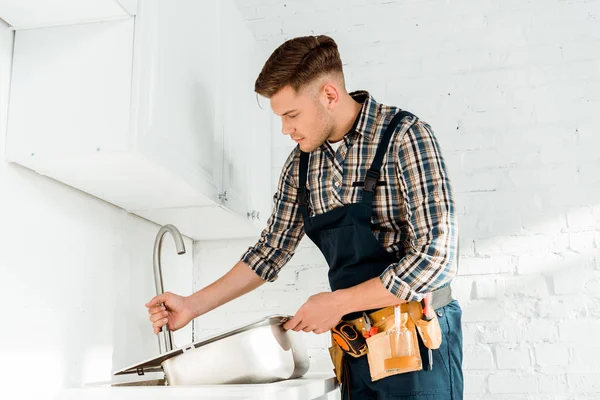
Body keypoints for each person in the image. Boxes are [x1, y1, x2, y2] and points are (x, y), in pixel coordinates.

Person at [145, 34, 463, 399]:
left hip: (418, 343)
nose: (285, 129)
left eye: (291, 115)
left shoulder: (405, 137)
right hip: (356, 348)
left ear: (329, 95)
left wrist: (338, 303)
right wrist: (191, 305)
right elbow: (270, 252)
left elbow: (437, 259)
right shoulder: (301, 165)